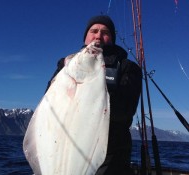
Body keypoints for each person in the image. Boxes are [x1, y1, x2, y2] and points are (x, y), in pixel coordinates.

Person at [46, 15, 142, 175]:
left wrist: (94, 92)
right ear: (85, 37)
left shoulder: (127, 67)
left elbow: (125, 110)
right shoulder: (67, 65)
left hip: (110, 153)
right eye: (94, 31)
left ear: (112, 38)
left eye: (105, 32)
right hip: (64, 147)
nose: (98, 35)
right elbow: (49, 100)